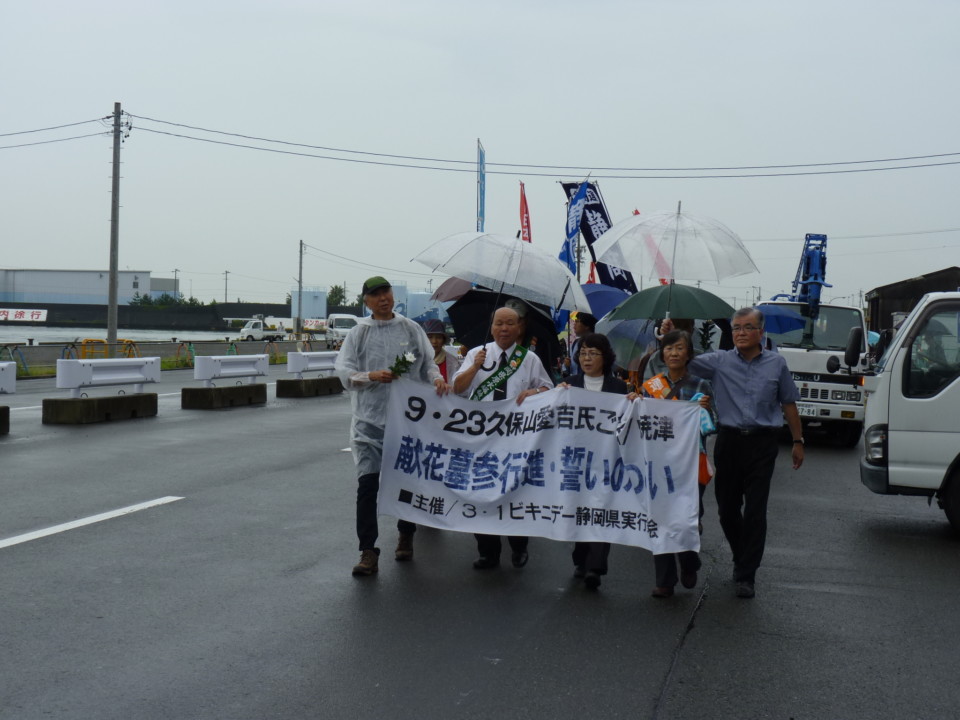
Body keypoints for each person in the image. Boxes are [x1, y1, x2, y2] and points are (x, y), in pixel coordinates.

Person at [661, 308, 804, 599]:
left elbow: (788, 402)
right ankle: (742, 555)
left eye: (747, 327)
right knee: (727, 510)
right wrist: (670, 336)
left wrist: (798, 440)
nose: (740, 333)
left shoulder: (777, 364)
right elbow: (681, 360)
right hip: (729, 441)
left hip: (763, 443)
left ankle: (746, 574)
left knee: (755, 510)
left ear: (761, 332)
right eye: (736, 327)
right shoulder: (720, 360)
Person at [335, 276, 449, 577]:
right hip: (368, 422)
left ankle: (406, 533)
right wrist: (370, 376)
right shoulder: (358, 333)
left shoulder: (410, 329)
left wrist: (437, 379)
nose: (382, 298)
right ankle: (368, 550)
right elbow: (345, 373)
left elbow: (427, 363)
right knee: (367, 486)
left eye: (385, 291)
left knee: (406, 482)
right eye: (375, 295)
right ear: (366, 301)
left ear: (393, 294)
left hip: (406, 421)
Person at [452, 306, 554, 570]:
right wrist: (475, 367)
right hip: (481, 438)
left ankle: (519, 546)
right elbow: (457, 388)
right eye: (499, 323)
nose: (504, 329)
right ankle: (488, 551)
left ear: (519, 328)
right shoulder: (476, 353)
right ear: (492, 327)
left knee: (515, 493)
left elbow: (549, 388)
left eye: (510, 323)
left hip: (516, 438)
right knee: (481, 491)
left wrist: (534, 392)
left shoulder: (529, 358)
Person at [633, 329, 717, 599]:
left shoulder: (702, 385)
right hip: (658, 462)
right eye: (669, 348)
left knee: (687, 517)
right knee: (660, 517)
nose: (673, 353)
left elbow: (712, 425)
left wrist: (704, 410)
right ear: (662, 354)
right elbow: (640, 421)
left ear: (688, 354)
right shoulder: (652, 386)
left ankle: (689, 561)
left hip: (691, 462)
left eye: (679, 348)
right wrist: (635, 401)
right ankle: (665, 580)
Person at [558, 332, 628, 589]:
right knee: (580, 509)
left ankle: (596, 567)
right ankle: (581, 558)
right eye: (583, 353)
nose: (587, 358)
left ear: (605, 358)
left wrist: (634, 401)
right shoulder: (569, 384)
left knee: (602, 508)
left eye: (593, 353)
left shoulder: (618, 387)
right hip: (576, 459)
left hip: (606, 459)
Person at [421, 318, 461, 382]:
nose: (434, 341)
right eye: (429, 337)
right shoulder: (415, 359)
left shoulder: (453, 362)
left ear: (443, 341)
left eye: (438, 337)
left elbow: (456, 386)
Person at [563, 312, 598, 377]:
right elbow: (570, 370)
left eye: (577, 321)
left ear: (587, 326)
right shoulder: (575, 343)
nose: (574, 324)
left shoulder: (597, 343)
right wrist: (567, 365)